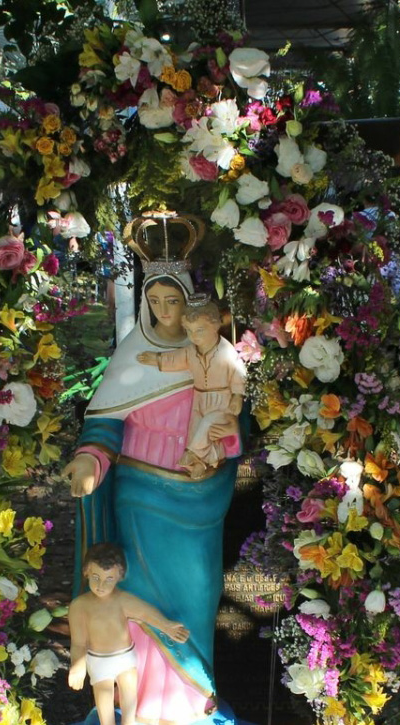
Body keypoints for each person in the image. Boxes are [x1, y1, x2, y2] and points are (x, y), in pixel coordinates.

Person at [63, 258, 244, 724]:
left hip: (198, 497)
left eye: (174, 301)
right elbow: (105, 423)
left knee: (197, 590)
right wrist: (90, 460)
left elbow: (235, 415)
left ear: (190, 305)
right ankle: (140, 705)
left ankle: (190, 701)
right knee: (137, 590)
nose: (165, 311)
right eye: (156, 301)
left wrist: (227, 435)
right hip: (139, 497)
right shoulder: (132, 358)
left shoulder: (216, 357)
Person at [68, 543, 189, 725]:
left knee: (129, 702)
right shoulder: (79, 606)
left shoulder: (122, 600)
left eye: (109, 579)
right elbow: (78, 643)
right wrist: (78, 665)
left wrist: (167, 626)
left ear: (119, 576)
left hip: (125, 659)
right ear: (86, 572)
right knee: (104, 705)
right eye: (96, 577)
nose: (101, 585)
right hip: (98, 661)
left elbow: (146, 613)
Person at [137, 294, 246, 478]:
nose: (193, 336)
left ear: (215, 325)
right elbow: (175, 359)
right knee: (196, 429)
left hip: (222, 401)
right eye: (189, 331)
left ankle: (192, 454)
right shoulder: (190, 352)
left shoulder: (226, 352)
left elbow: (238, 373)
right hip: (199, 398)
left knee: (209, 423)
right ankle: (199, 464)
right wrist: (156, 359)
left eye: (199, 330)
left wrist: (237, 395)